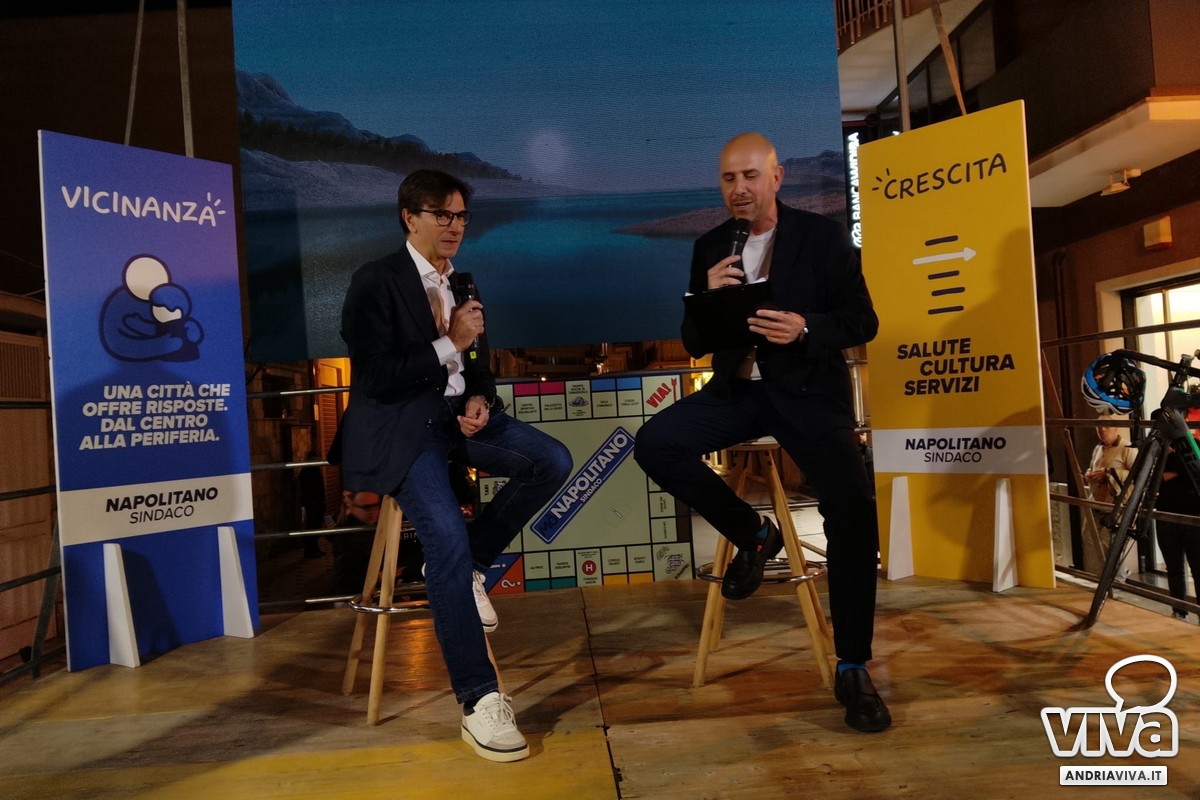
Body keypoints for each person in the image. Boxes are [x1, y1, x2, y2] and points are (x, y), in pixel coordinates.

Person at [634, 132, 889, 733]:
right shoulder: (710, 245)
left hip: (808, 396)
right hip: (737, 394)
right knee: (655, 443)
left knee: (852, 509)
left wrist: (806, 327)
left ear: (777, 177)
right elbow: (695, 340)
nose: (739, 189)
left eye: (750, 176)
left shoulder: (823, 237)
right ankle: (754, 534)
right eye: (729, 179)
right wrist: (707, 298)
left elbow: (863, 320)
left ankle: (853, 664)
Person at [339, 169, 572, 762]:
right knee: (442, 536)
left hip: (454, 420)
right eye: (442, 214)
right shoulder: (375, 281)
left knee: (551, 459)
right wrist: (450, 342)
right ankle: (479, 701)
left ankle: (472, 564)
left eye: (462, 215)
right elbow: (374, 377)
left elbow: (478, 370)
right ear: (409, 217)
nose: (455, 225)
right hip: (403, 430)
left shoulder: (461, 282)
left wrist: (479, 401)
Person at [1155, 408, 1200, 621]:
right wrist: (1173, 472)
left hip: (1192, 516)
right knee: (1173, 568)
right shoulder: (1156, 451)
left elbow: (1193, 472)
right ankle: (1179, 611)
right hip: (1165, 515)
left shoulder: (1193, 446)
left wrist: (1173, 470)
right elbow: (1154, 478)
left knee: (1197, 568)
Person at [297, 451, 327, 558]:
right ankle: (310, 550)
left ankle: (314, 548)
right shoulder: (307, 471)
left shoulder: (313, 470)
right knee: (312, 525)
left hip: (317, 501)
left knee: (316, 525)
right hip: (313, 502)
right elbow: (308, 488)